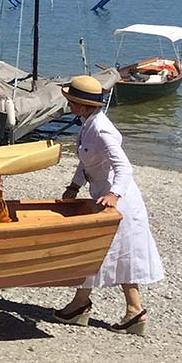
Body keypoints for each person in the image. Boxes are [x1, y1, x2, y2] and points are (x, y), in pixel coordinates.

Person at [51, 74, 163, 335]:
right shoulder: (88, 123)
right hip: (102, 196)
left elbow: (124, 167)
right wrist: (74, 185)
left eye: (70, 101)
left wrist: (114, 194)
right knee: (111, 253)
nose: (68, 105)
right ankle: (131, 311)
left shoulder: (101, 129)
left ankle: (84, 306)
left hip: (118, 201)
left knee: (96, 250)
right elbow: (87, 161)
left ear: (81, 104)